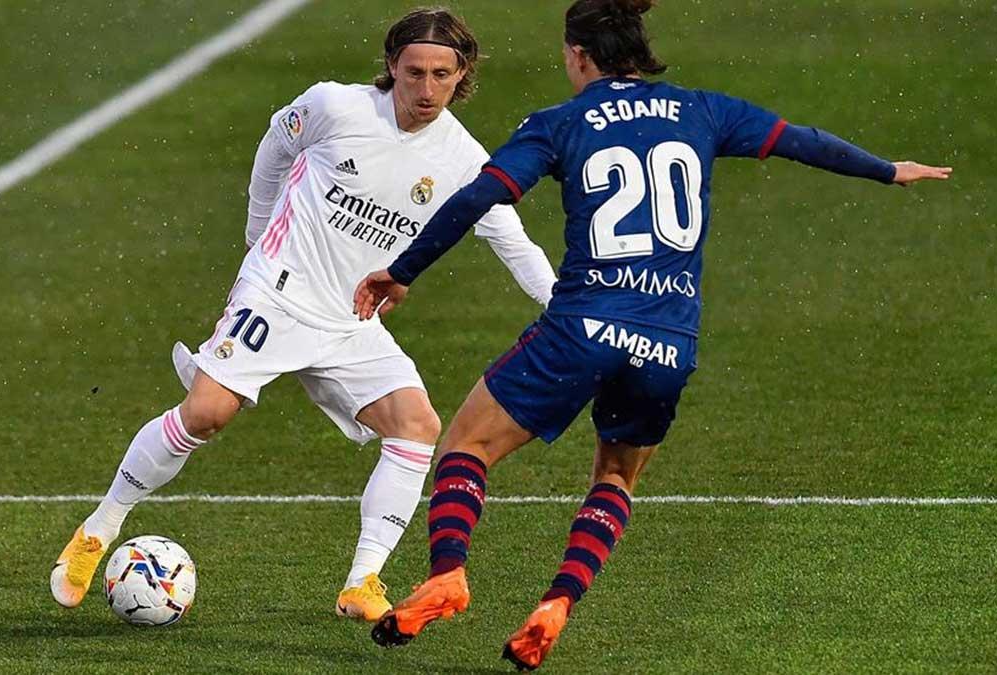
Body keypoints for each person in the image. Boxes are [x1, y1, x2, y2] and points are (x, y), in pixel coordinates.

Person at [353, 0, 951, 669]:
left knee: (466, 444)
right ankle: (558, 602)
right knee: (615, 475)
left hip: (580, 325)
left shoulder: (561, 122)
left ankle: (449, 571)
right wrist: (886, 169)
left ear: (579, 55)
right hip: (668, 340)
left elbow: (476, 198)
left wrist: (401, 271)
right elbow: (801, 140)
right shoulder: (703, 109)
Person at [50, 8, 556, 623]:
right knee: (207, 414)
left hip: (351, 320)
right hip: (277, 292)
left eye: (441, 76)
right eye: (414, 72)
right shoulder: (335, 108)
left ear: (462, 75)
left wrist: (567, 306)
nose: (426, 90)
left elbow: (512, 241)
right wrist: (258, 233)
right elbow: (274, 144)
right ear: (392, 66)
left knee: (416, 426)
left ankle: (363, 579)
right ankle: (100, 529)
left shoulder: (463, 159)